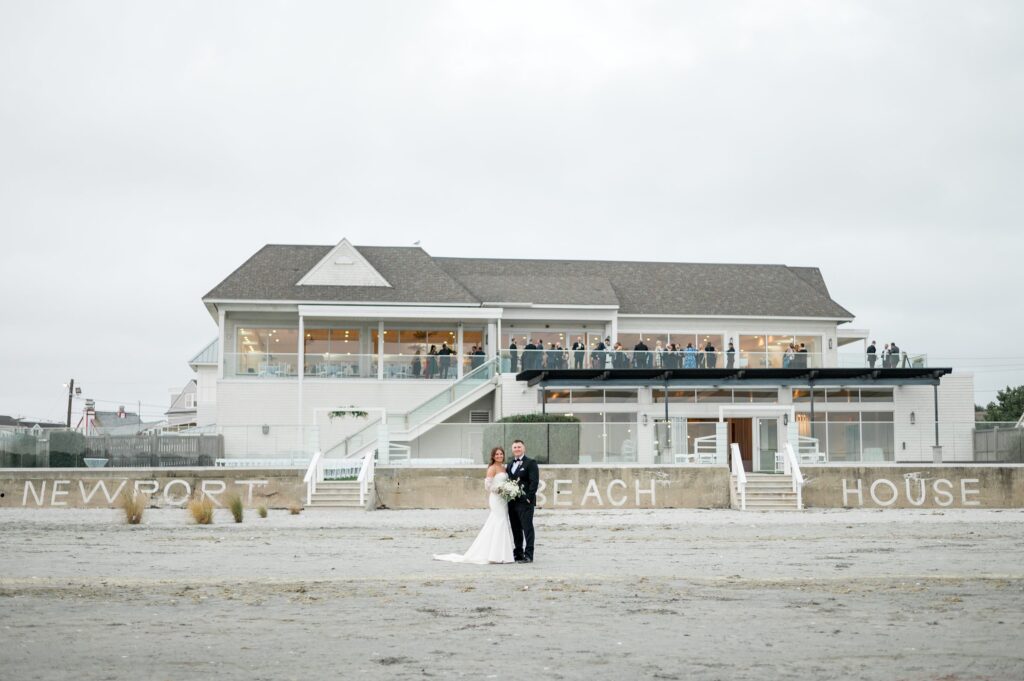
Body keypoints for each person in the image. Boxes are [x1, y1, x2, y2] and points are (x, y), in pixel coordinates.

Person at [434, 447, 515, 564]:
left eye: (501, 454)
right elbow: (488, 486)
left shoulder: (504, 468)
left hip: (504, 500)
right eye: (496, 454)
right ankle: (495, 555)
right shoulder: (492, 468)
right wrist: (501, 490)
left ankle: (500, 554)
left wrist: (508, 490)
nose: (499, 456)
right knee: (499, 521)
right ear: (493, 456)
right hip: (496, 499)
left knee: (500, 522)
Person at [507, 439, 539, 563]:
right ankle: (518, 553)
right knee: (516, 528)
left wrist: (529, 498)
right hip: (512, 502)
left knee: (527, 528)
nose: (517, 449)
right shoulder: (510, 464)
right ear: (512, 449)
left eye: (519, 447)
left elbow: (534, 482)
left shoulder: (531, 463)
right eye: (515, 447)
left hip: (525, 502)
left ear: (524, 448)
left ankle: (529, 555)